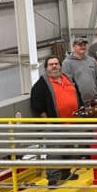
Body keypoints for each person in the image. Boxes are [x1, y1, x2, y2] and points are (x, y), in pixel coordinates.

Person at [30, 56, 83, 185]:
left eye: (56, 64)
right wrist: (48, 122)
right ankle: (53, 178)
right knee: (55, 152)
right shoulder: (41, 84)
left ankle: (65, 173)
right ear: (46, 68)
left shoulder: (68, 78)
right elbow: (37, 104)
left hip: (73, 122)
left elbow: (78, 95)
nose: (54, 66)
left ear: (60, 65)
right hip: (55, 124)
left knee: (70, 150)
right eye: (51, 64)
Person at [62, 36, 97, 103]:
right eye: (80, 45)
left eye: (84, 45)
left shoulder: (92, 60)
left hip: (94, 100)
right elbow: (67, 83)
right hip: (78, 102)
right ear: (74, 47)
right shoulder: (67, 63)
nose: (83, 47)